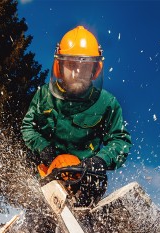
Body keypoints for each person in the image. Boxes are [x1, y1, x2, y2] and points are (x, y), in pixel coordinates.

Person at [21, 25, 132, 207]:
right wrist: (42, 147)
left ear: (95, 70)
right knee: (38, 224)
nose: (77, 73)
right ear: (59, 66)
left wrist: (100, 160)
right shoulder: (44, 96)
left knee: (85, 226)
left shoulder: (107, 103)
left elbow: (120, 141)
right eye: (71, 65)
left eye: (85, 67)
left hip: (87, 179)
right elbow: (28, 126)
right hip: (49, 174)